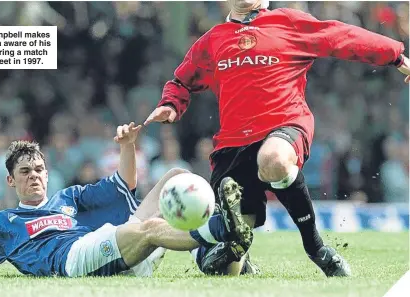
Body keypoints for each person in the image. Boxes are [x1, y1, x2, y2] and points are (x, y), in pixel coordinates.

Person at [144, 0, 410, 277]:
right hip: (232, 146)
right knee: (227, 270)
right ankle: (239, 259)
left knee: (274, 159)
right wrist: (171, 104)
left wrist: (397, 56)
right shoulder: (212, 40)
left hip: (284, 126)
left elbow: (342, 35)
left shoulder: (289, 23)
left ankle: (316, 247)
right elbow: (182, 81)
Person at [0, 122, 252, 277]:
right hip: (73, 260)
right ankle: (221, 231)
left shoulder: (67, 197)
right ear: (10, 180)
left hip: (106, 247)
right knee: (153, 228)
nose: (34, 176)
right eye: (25, 171)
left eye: (39, 169)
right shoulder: (4, 223)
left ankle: (222, 255)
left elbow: (123, 183)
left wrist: (127, 146)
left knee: (177, 176)